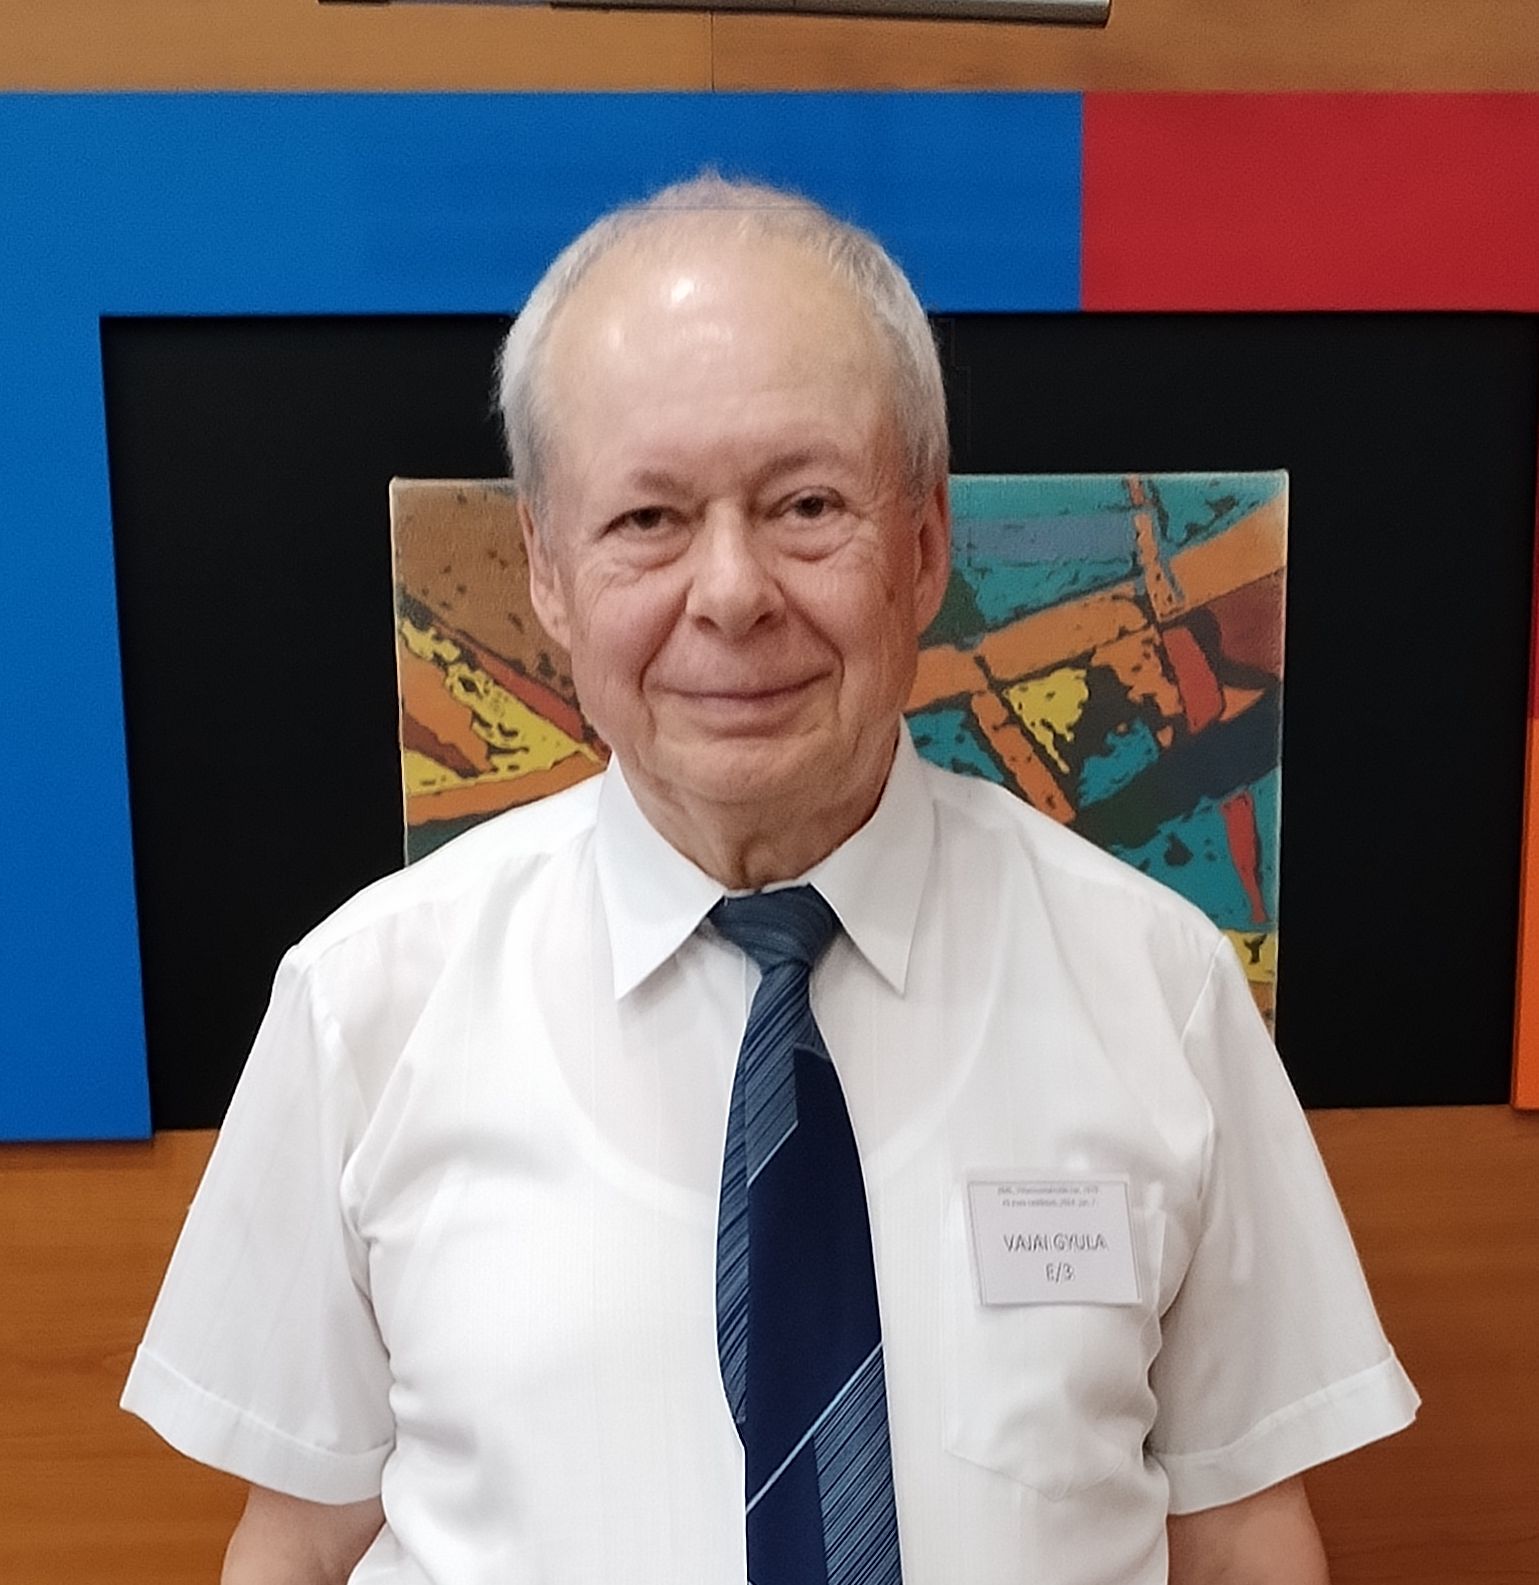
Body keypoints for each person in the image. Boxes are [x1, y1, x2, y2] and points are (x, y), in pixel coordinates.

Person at [123, 175, 1418, 1585]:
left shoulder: (1155, 985)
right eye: (648, 519)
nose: (733, 592)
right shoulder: (362, 1006)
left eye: (807, 504)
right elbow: (299, 1543)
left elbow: (1240, 1533)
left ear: (923, 546)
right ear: (546, 570)